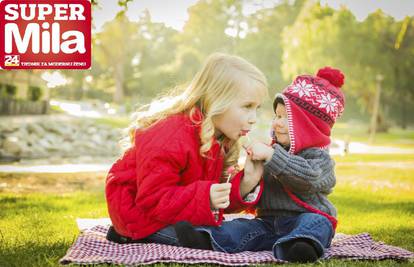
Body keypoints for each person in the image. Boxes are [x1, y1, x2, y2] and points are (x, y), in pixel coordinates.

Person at [178, 67, 346, 263]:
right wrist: (251, 178)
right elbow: (258, 194)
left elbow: (309, 178)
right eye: (276, 116)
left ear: (308, 126)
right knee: (242, 227)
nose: (276, 123)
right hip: (268, 222)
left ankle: (301, 246)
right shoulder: (272, 150)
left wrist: (272, 157)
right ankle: (205, 237)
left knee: (317, 224)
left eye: (285, 118)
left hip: (305, 217)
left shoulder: (319, 157)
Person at [104, 53, 268, 247]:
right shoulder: (171, 134)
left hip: (172, 211)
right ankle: (128, 234)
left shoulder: (217, 137)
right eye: (247, 106)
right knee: (221, 236)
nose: (253, 118)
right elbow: (151, 198)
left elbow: (216, 205)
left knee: (233, 231)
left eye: (257, 108)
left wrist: (247, 182)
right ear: (217, 101)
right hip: (139, 214)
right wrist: (206, 196)